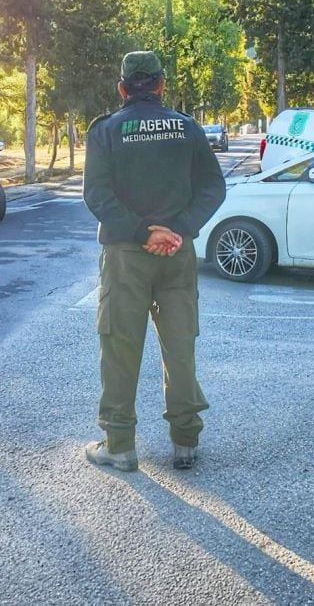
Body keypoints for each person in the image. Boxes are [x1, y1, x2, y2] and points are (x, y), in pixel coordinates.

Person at [83, 51, 226, 471]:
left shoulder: (105, 131)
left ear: (122, 88)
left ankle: (120, 445)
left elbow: (97, 195)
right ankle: (185, 441)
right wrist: (177, 228)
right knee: (180, 346)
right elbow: (213, 189)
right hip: (177, 255)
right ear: (162, 85)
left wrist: (143, 230)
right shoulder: (187, 128)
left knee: (120, 350)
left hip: (126, 255)